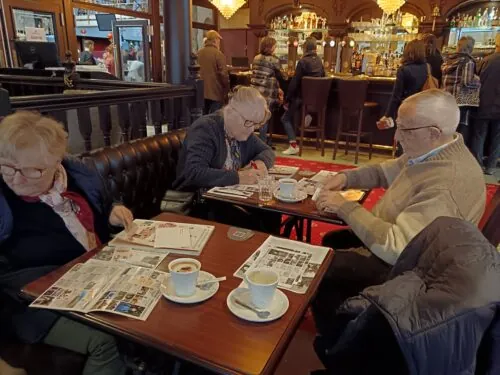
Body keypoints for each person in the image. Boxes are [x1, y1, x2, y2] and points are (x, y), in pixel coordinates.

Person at [312, 89, 486, 336]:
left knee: (321, 269)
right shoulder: (434, 150)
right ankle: (346, 322)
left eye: (405, 129)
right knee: (332, 242)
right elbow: (385, 172)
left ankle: (341, 346)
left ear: (433, 133)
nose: (396, 136)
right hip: (400, 244)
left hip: (412, 272)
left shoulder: (446, 183)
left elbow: (397, 248)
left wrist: (344, 206)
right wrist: (345, 178)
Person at [0, 112, 133, 375]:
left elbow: (104, 200)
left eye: (33, 171)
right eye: (7, 168)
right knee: (106, 341)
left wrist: (112, 210)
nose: (16, 179)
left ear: (56, 163)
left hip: (96, 278)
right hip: (28, 302)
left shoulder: (77, 175)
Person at [314, 217, 500, 375]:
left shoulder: (448, 224)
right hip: (425, 329)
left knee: (326, 273)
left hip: (401, 332)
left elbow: (400, 261)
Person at [173, 86, 279, 233]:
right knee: (252, 219)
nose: (252, 129)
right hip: (199, 202)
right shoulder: (206, 128)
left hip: (226, 198)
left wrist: (261, 163)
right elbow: (193, 172)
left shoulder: (241, 130)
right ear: (232, 112)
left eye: (256, 124)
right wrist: (238, 177)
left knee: (271, 211)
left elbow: (267, 151)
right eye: (249, 123)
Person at [377, 40, 428, 155]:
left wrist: (387, 115)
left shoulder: (404, 70)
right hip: (423, 107)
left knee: (403, 138)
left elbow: (396, 96)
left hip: (407, 107)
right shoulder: (427, 68)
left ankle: (402, 163)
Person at [281, 37, 325, 155]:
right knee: (300, 108)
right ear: (315, 48)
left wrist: (287, 99)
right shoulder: (320, 61)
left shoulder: (302, 62)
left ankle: (293, 145)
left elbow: (294, 83)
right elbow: (324, 77)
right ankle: (308, 113)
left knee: (284, 118)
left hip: (301, 99)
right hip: (317, 101)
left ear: (305, 48)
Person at [442, 36, 481, 146]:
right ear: (470, 48)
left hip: (446, 99)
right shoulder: (467, 62)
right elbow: (467, 82)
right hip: (459, 101)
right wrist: (477, 80)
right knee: (459, 129)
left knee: (447, 127)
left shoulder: (448, 60)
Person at [471, 34, 500, 175]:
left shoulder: (486, 61)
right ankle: (491, 166)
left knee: (479, 135)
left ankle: (477, 164)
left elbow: (475, 79)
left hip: (484, 102)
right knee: (497, 137)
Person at [251, 37, 286, 144]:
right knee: (265, 119)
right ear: (270, 47)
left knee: (257, 117)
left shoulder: (256, 58)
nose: (275, 48)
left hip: (255, 92)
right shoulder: (274, 60)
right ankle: (262, 142)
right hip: (267, 93)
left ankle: (254, 141)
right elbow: (282, 76)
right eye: (274, 46)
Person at [197, 30, 229, 114]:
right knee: (215, 117)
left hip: (201, 91)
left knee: (203, 116)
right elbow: (223, 74)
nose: (219, 43)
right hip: (215, 92)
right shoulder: (218, 54)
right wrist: (226, 88)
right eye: (219, 40)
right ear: (215, 40)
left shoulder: (199, 53)